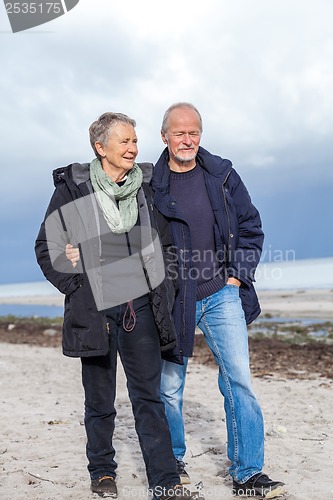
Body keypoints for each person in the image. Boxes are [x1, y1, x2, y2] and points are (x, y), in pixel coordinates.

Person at [35, 112, 201, 500]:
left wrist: (168, 283)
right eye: (124, 141)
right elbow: (47, 247)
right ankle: (103, 473)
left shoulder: (145, 189)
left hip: (139, 306)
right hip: (93, 308)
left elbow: (169, 246)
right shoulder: (75, 190)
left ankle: (163, 480)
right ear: (100, 147)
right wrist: (74, 284)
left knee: (148, 396)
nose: (133, 148)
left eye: (134, 141)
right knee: (99, 399)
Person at [151, 103, 286, 498]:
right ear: (165, 137)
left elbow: (251, 226)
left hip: (221, 294)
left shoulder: (223, 175)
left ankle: (247, 474)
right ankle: (174, 461)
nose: (187, 139)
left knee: (239, 382)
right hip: (174, 299)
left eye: (194, 132)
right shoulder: (149, 184)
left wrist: (236, 276)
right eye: (179, 133)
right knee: (170, 388)